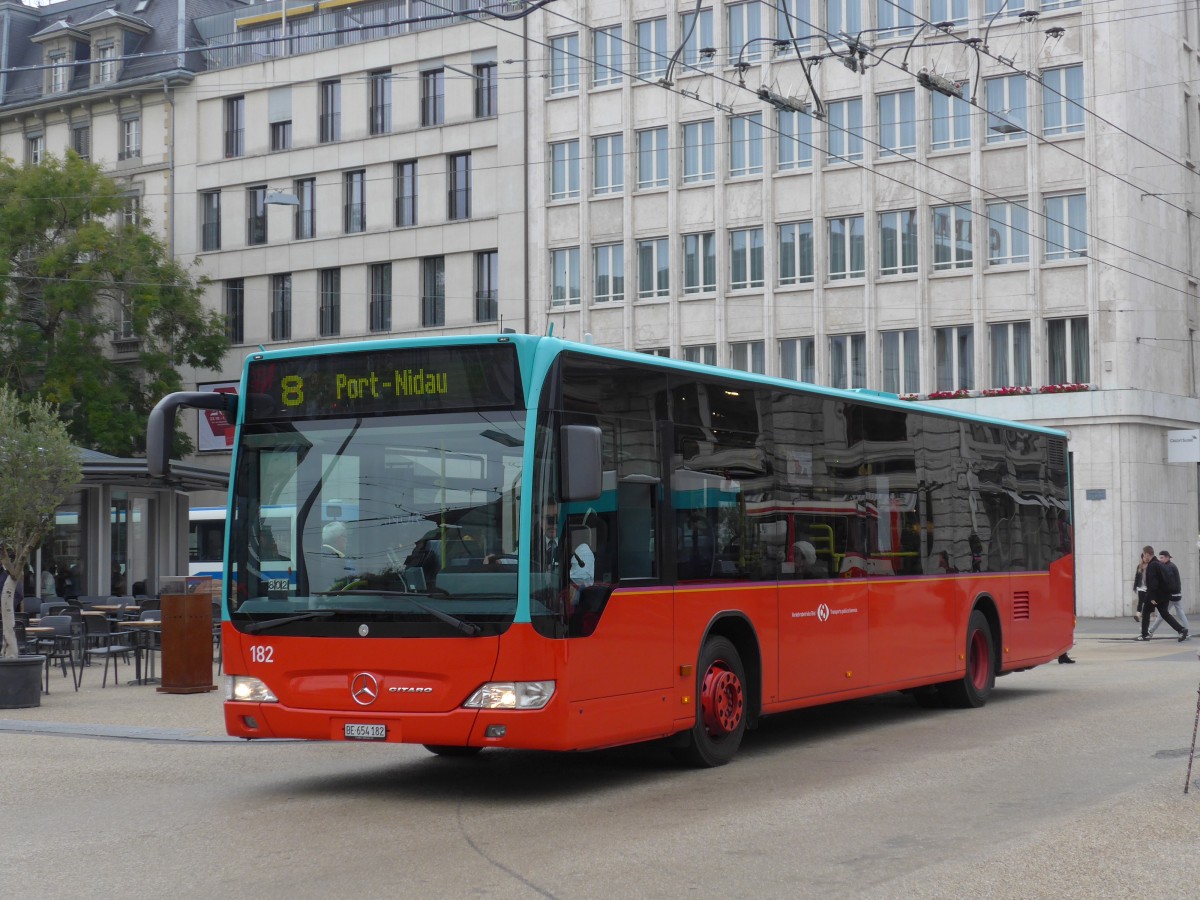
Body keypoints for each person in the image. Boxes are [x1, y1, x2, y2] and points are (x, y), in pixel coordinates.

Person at [1139, 545, 1188, 641]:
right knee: (1165, 614)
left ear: (1148, 554)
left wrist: (1152, 597)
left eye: (1144, 555)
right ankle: (1181, 630)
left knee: (1145, 613)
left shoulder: (1152, 565)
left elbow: (1153, 582)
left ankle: (1145, 634)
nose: (1144, 557)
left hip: (1155, 595)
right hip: (1164, 595)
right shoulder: (1159, 564)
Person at [1132, 548, 1151, 623]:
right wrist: (1135, 587)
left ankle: (1148, 614)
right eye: (1144, 557)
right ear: (1142, 558)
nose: (1145, 559)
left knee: (1148, 602)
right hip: (1141, 587)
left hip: (1148, 587)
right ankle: (1137, 615)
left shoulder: (1151, 565)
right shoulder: (1139, 566)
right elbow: (1137, 577)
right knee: (1140, 601)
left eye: (1146, 557)